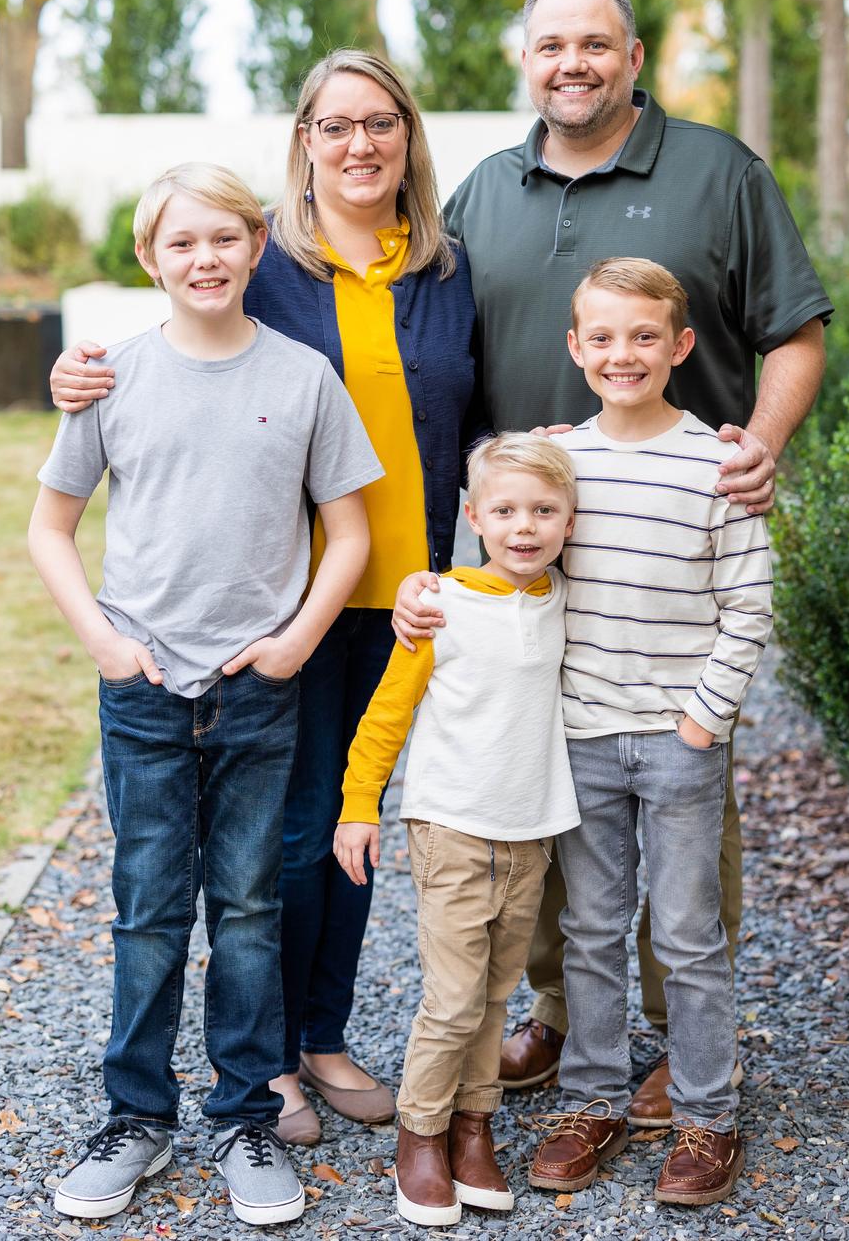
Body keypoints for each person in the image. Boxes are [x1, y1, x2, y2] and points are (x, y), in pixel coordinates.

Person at [395, 0, 831, 1124]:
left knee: (684, 817)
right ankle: (562, 1016)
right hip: (524, 570)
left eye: (596, 44)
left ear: (634, 58)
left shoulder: (717, 174)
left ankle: (675, 1034)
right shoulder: (484, 194)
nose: (571, 64)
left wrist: (762, 444)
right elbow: (419, 354)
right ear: (525, 60)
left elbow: (796, 331)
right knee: (537, 792)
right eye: (550, 46)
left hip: (673, 560)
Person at [48, 53, 482, 1143]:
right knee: (287, 835)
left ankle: (322, 1034)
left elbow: (482, 406)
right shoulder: (273, 264)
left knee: (357, 818)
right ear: (304, 143)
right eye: (334, 126)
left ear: (406, 135)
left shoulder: (444, 271)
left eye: (379, 123)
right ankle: (273, 1058)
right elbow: (175, 351)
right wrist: (69, 378)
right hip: (288, 599)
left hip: (402, 585)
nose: (359, 145)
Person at [28, 163, 382, 1226]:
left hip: (257, 692)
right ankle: (136, 1115)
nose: (206, 260)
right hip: (142, 690)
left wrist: (293, 644)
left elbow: (351, 533)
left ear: (256, 245)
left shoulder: (306, 376)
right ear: (150, 259)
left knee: (247, 908)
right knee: (147, 913)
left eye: (225, 239)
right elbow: (51, 526)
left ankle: (245, 1119)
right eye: (182, 244)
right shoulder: (112, 377)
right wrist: (103, 642)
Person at [521, 257, 771, 1207]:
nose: (622, 354)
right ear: (576, 347)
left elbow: (747, 605)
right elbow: (511, 550)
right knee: (588, 929)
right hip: (583, 736)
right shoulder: (560, 464)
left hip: (678, 742)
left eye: (643, 337)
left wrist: (703, 721)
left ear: (680, 346)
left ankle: (708, 1114)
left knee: (687, 932)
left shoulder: (718, 463)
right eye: (603, 337)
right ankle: (590, 1102)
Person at [334, 434, 581, 1227]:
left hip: (529, 832)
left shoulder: (562, 600)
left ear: (570, 523)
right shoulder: (438, 605)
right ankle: (422, 1135)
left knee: (497, 994)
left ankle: (476, 1130)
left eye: (544, 511)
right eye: (504, 510)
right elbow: (385, 716)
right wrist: (358, 807)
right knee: (451, 999)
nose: (524, 526)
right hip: (450, 828)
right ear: (472, 516)